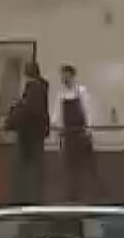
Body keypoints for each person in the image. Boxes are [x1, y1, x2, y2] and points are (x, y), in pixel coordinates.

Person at [52, 64, 104, 202]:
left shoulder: (81, 91)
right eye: (62, 76)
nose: (64, 78)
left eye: (66, 75)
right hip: (68, 134)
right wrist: (56, 129)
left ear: (72, 76)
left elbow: (88, 110)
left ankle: (96, 194)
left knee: (88, 166)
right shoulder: (60, 95)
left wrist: (89, 129)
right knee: (70, 167)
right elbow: (57, 115)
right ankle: (72, 196)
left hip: (81, 132)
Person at [6, 61, 50, 203]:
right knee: (35, 170)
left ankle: (24, 200)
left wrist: (12, 118)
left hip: (28, 135)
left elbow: (29, 110)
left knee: (24, 171)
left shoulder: (33, 89)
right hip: (36, 134)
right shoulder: (41, 89)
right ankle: (33, 199)